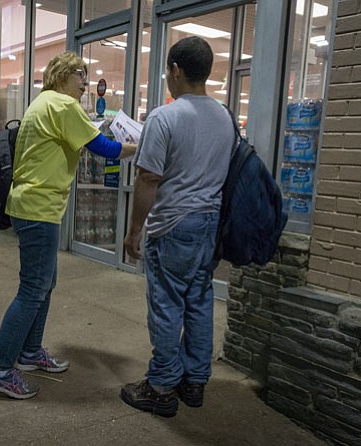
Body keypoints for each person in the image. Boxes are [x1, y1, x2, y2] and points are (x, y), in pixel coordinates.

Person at [0, 51, 136, 399]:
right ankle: (0, 370)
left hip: (31, 205)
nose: (85, 81)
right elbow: (105, 148)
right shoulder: (64, 106)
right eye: (80, 74)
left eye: (85, 74)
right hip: (39, 208)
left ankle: (30, 353)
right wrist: (136, 146)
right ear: (62, 75)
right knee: (33, 289)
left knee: (44, 284)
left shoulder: (42, 104)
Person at [120, 36, 235, 417]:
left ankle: (161, 386)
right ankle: (194, 381)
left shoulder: (165, 116)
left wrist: (135, 230)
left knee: (167, 304)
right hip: (209, 224)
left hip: (173, 224)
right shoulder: (224, 116)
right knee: (199, 301)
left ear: (175, 70)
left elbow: (149, 179)